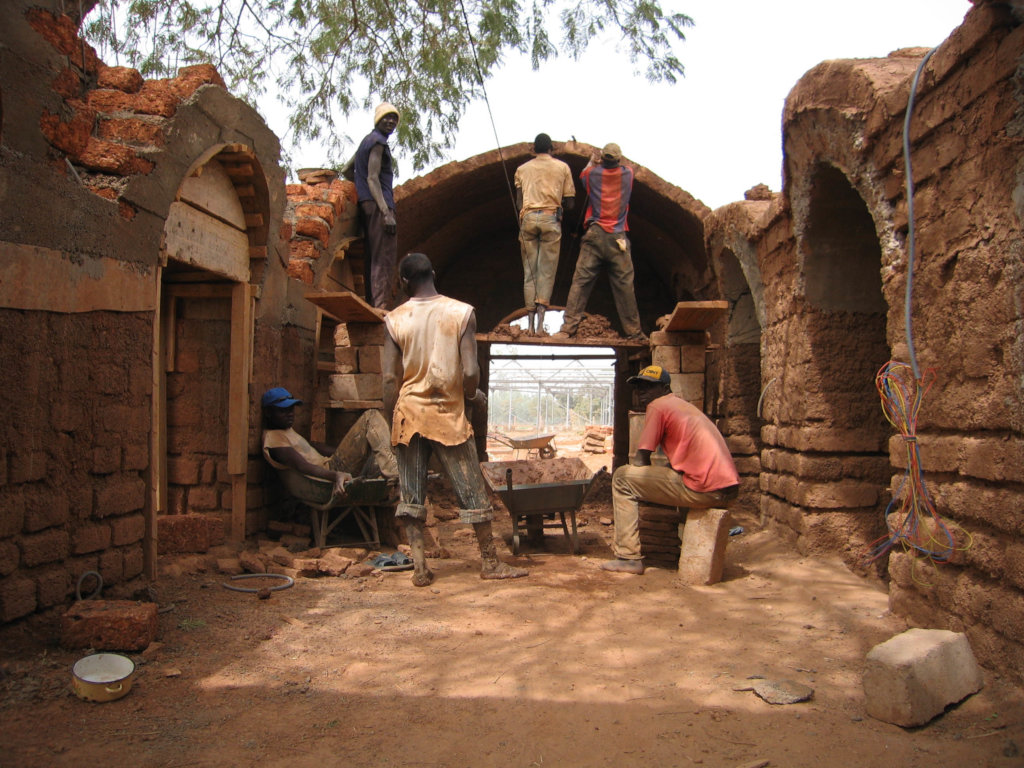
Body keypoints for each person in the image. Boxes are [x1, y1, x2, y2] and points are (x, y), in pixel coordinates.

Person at [383, 252, 528, 586]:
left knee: (412, 495)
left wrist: (392, 413)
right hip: (448, 414)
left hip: (409, 416)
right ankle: (490, 562)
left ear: (404, 282)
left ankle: (419, 568)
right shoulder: (461, 313)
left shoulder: (394, 319)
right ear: (433, 273)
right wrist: (470, 396)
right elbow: (471, 370)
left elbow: (390, 380)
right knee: (472, 490)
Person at [601, 365, 739, 574]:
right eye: (639, 387)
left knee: (621, 477)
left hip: (706, 489)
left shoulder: (658, 406)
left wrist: (644, 489)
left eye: (649, 387)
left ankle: (628, 557)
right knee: (673, 473)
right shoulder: (682, 406)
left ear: (665, 388)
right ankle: (683, 547)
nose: (642, 392)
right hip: (726, 489)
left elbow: (640, 460)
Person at [553, 143, 646, 342]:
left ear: (603, 159)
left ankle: (567, 329)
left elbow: (584, 172)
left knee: (581, 282)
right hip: (618, 238)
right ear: (618, 160)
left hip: (594, 236)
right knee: (624, 286)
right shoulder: (627, 174)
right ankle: (634, 332)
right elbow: (628, 166)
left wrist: (594, 159)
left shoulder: (592, 175)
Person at [261, 387, 398, 498]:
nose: (290, 414)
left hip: (334, 466)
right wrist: (336, 475)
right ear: (268, 413)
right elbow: (302, 466)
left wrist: (349, 451)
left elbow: (312, 446)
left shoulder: (285, 431)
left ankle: (398, 474)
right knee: (371, 416)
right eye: (283, 411)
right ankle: (395, 474)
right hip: (328, 477)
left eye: (291, 409)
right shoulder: (273, 439)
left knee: (377, 448)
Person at [514, 133, 575, 334]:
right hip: (551, 219)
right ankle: (541, 325)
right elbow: (571, 202)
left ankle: (529, 326)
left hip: (528, 219)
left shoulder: (522, 170)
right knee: (546, 271)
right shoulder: (562, 167)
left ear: (534, 149)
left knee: (529, 272)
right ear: (551, 149)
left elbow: (518, 202)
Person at [353, 103, 401, 310]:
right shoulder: (378, 142)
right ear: (377, 120)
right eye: (386, 118)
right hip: (378, 204)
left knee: (372, 255)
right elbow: (372, 178)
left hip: (366, 203)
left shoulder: (366, 141)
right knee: (384, 257)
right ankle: (380, 306)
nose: (390, 122)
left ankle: (371, 302)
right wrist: (386, 213)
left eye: (394, 119)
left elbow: (350, 168)